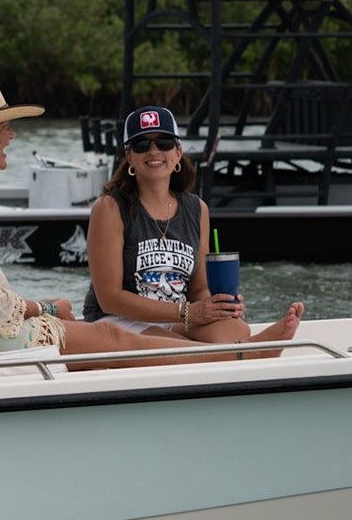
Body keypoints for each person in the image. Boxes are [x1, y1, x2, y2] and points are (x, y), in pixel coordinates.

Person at [0, 79, 302, 367]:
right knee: (110, 338)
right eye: (3, 126)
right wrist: (47, 307)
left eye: (163, 143)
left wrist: (208, 310)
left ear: (179, 154)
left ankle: (237, 349)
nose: (12, 135)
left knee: (220, 329)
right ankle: (245, 356)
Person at [83, 107, 254, 345]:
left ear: (178, 152)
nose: (154, 151)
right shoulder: (109, 207)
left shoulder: (197, 209)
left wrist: (217, 306)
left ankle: (243, 348)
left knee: (234, 330)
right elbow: (110, 299)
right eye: (141, 144)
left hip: (174, 319)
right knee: (175, 346)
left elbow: (199, 289)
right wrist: (187, 312)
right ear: (129, 157)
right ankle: (258, 350)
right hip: (116, 320)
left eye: (163, 142)